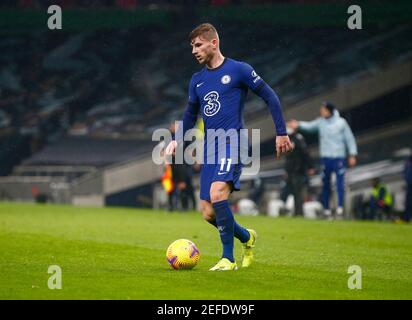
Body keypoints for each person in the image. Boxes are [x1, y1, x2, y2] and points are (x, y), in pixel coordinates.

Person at [165, 23, 292, 271]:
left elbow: (270, 96)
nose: (194, 50)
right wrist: (175, 140)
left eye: (198, 44)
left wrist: (281, 132)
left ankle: (228, 259)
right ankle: (247, 237)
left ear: (214, 43)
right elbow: (190, 114)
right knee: (207, 212)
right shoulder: (197, 80)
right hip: (210, 147)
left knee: (217, 194)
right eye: (192, 46)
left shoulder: (239, 70)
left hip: (232, 142)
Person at [288, 102, 357, 219]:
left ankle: (340, 208)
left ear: (329, 110)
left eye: (323, 109)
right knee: (325, 184)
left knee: (340, 184)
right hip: (326, 158)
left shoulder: (341, 123)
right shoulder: (321, 122)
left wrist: (352, 154)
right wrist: (298, 125)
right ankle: (326, 209)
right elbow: (309, 127)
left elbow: (349, 138)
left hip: (338, 157)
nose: (321, 111)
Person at [283, 127, 315, 217]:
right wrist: (286, 170)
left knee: (298, 192)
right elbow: (288, 158)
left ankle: (299, 213)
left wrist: (310, 166)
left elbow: (305, 153)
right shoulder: (288, 139)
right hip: (291, 170)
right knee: (292, 192)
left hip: (298, 170)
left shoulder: (298, 138)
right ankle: (294, 212)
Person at [403, 155, 412, 222]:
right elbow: (404, 172)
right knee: (408, 203)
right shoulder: (408, 162)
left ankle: (407, 218)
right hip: (409, 186)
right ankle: (406, 219)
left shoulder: (408, 162)